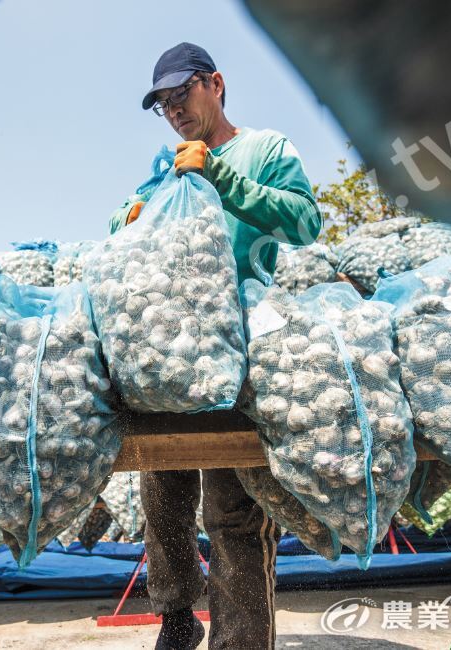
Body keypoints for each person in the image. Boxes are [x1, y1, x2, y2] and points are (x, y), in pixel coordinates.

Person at [109, 43, 322, 650]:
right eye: (164, 104)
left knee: (232, 512)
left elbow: (306, 223)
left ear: (216, 84)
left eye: (183, 95)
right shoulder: (166, 160)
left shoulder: (266, 150)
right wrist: (131, 212)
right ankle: (177, 616)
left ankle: (242, 641)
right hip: (166, 346)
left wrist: (222, 176)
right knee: (164, 496)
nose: (174, 111)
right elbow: (122, 218)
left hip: (239, 350)